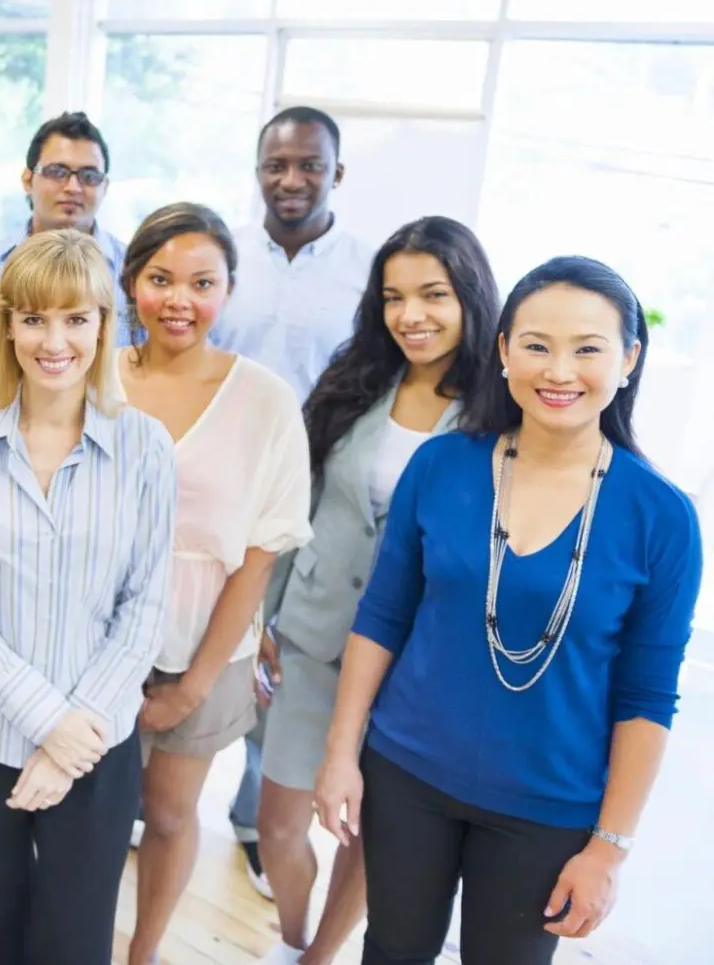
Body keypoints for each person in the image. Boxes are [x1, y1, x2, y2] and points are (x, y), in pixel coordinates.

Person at [314, 256, 700, 965]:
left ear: (629, 360)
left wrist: (608, 849)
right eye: (536, 344)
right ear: (502, 350)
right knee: (391, 951)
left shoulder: (662, 518)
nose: (559, 371)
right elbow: (382, 616)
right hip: (407, 775)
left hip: (549, 807)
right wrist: (340, 752)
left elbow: (647, 698)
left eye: (588, 348)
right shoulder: (441, 465)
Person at [253, 217, 500, 965]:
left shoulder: (498, 413)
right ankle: (294, 933)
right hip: (314, 633)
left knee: (368, 831)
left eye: (433, 295)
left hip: (414, 667)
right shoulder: (357, 380)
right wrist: (267, 614)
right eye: (393, 297)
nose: (411, 316)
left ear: (470, 298)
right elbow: (300, 504)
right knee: (280, 825)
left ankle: (319, 954)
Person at [0, 229, 174, 965]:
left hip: (98, 744)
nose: (54, 340)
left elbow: (145, 607)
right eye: (33, 318)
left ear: (105, 325)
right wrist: (43, 721)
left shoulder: (145, 446)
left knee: (76, 941)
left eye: (75, 318)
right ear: (9, 327)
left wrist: (71, 739)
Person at [117, 204, 311, 965]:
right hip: (97, 640)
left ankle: (145, 949)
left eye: (202, 282)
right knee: (91, 816)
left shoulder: (264, 399)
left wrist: (194, 685)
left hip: (206, 643)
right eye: (161, 279)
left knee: (168, 812)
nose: (179, 300)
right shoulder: (96, 372)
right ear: (132, 281)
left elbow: (259, 554)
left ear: (228, 290)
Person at [210, 105, 378, 895]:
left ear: (335, 174)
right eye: (276, 164)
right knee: (193, 636)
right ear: (257, 170)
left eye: (308, 165)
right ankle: (155, 796)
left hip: (307, 490)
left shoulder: (364, 271)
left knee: (275, 656)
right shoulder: (225, 255)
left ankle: (253, 812)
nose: (290, 179)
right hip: (214, 481)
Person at [0, 113, 133, 345]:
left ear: (105, 186)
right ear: (27, 179)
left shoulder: (134, 273)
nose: (73, 187)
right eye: (57, 172)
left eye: (89, 176)